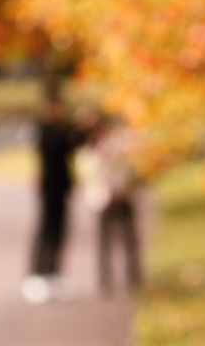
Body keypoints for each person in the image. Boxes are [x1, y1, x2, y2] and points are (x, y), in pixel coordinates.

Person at [21, 95, 84, 304]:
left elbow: (74, 144)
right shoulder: (45, 131)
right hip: (49, 188)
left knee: (60, 230)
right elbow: (59, 144)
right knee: (46, 230)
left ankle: (54, 272)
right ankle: (39, 272)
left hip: (61, 188)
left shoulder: (60, 129)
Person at [79, 118, 141, 295]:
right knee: (103, 242)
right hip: (102, 200)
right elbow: (89, 175)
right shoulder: (87, 153)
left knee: (129, 241)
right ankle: (105, 280)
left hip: (122, 196)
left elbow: (130, 169)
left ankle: (133, 278)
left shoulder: (119, 146)